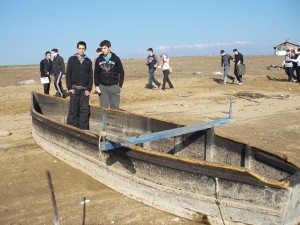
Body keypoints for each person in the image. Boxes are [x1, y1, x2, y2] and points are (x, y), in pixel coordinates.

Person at [66, 41, 93, 130]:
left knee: (84, 110)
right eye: (80, 48)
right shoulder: (72, 59)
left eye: (83, 48)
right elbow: (68, 74)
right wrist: (69, 87)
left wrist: (89, 89)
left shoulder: (88, 61)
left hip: (84, 90)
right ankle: (72, 129)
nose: (81, 50)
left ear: (85, 49)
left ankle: (83, 130)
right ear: (77, 49)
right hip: (74, 88)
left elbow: (90, 76)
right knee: (73, 110)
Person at [94, 40, 125, 109]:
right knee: (103, 109)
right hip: (103, 87)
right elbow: (96, 73)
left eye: (104, 48)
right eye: (102, 48)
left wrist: (120, 86)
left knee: (115, 108)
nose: (103, 50)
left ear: (109, 48)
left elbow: (122, 72)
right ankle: (104, 120)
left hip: (114, 86)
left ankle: (114, 120)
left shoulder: (116, 59)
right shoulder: (99, 59)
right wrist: (96, 85)